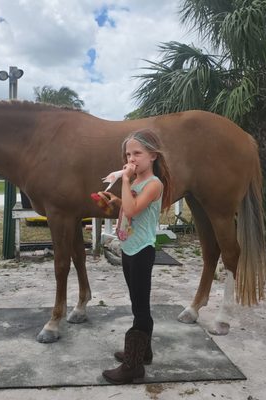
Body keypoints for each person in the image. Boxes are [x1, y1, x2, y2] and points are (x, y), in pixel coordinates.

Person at [99, 128, 172, 384]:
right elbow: (129, 207)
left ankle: (133, 367)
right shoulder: (139, 183)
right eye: (128, 154)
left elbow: (132, 211)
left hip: (142, 251)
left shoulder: (153, 184)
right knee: (136, 302)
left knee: (141, 307)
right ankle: (144, 352)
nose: (131, 159)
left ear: (153, 155)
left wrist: (125, 180)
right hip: (129, 249)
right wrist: (116, 201)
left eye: (137, 153)